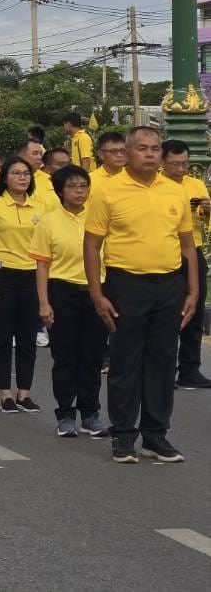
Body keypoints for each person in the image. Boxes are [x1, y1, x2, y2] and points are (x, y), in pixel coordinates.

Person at [85, 126, 199, 464]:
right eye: (142, 148)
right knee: (126, 361)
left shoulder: (174, 191)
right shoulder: (108, 191)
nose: (150, 154)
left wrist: (192, 290)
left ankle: (155, 435)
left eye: (155, 148)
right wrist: (96, 293)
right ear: (127, 152)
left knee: (163, 361)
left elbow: (188, 247)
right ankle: (123, 436)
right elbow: (92, 245)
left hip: (169, 285)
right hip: (126, 285)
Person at [31, 164, 108, 438]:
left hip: (96, 291)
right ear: (60, 191)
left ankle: (90, 414)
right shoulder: (48, 222)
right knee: (65, 357)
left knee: (92, 356)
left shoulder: (99, 218)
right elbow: (42, 266)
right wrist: (43, 302)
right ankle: (66, 414)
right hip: (62, 292)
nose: (79, 192)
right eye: (73, 187)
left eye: (84, 186)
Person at [0, 158, 43, 413]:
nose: (22, 177)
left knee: (28, 338)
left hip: (32, 276)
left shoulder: (40, 208)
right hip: (3, 275)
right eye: (16, 173)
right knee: (3, 337)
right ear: (4, 178)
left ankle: (24, 393)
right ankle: (5, 393)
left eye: (26, 173)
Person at [161, 139, 211, 390]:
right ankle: (163, 371)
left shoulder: (196, 184)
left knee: (196, 311)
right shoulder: (156, 187)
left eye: (184, 164)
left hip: (194, 250)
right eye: (174, 164)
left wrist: (207, 209)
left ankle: (190, 369)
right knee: (166, 311)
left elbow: (205, 220)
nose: (180, 169)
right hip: (165, 252)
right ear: (162, 162)